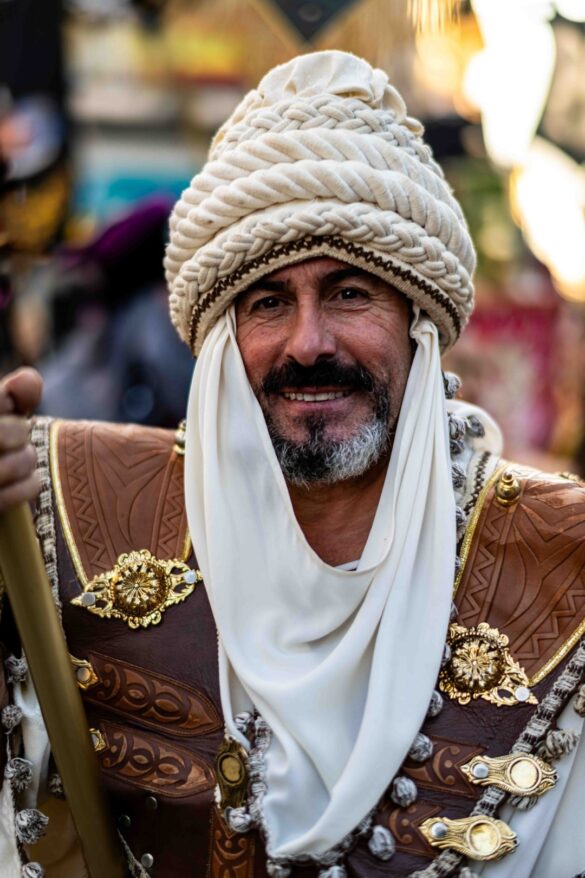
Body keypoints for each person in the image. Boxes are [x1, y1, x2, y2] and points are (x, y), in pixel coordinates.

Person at [0, 51, 584, 878]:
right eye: (268, 302)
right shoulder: (71, 511)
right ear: (218, 345)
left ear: (418, 327)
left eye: (349, 293)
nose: (308, 343)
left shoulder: (562, 563)